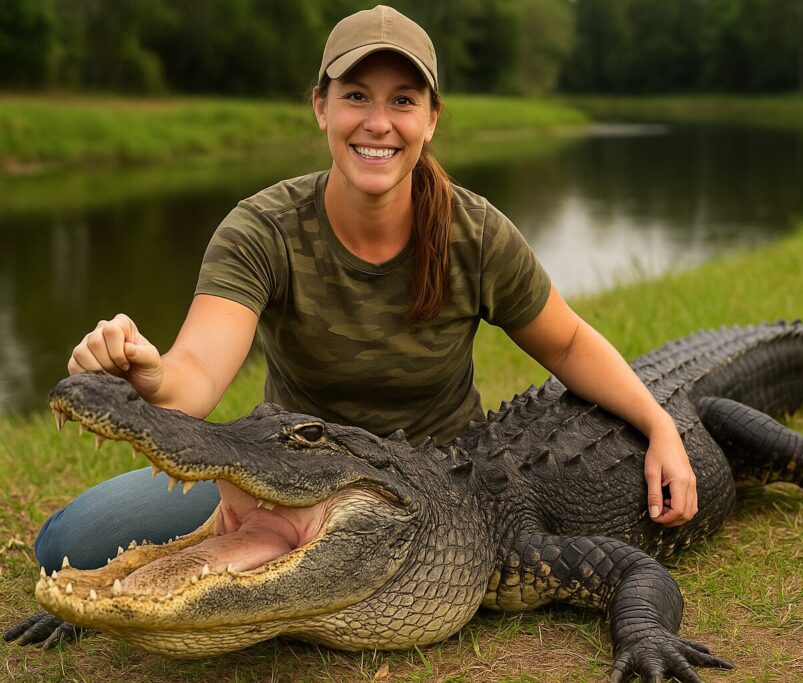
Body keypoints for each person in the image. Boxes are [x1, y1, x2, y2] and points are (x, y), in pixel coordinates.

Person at [33, 5, 697, 575]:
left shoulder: (475, 231)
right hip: (288, 475)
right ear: (321, 107)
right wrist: (144, 372)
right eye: (356, 95)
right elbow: (197, 374)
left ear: (431, 119)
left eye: (403, 100)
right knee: (67, 545)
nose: (378, 122)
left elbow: (571, 343)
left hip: (436, 487)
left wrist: (659, 425)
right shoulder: (260, 229)